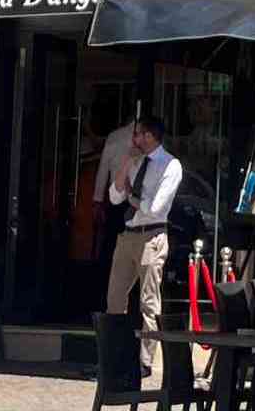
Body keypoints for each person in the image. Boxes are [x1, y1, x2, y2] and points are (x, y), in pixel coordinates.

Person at [106, 114, 182, 378]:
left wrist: (133, 199)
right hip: (128, 236)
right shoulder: (136, 162)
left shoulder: (170, 166)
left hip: (151, 237)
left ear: (149, 136)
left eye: (137, 134)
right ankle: (114, 353)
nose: (134, 139)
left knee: (149, 301)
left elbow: (155, 208)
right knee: (115, 297)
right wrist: (126, 163)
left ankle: (144, 361)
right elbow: (115, 197)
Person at [93, 118, 136, 260]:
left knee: (111, 242)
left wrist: (97, 200)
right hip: (137, 201)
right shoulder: (149, 141)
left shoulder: (115, 136)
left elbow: (103, 170)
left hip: (116, 199)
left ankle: (105, 277)